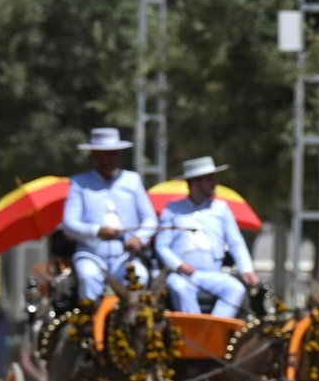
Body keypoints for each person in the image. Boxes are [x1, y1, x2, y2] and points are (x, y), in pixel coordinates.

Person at [61, 127, 157, 302]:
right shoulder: (79, 183)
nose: (112, 158)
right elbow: (69, 223)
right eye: (106, 154)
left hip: (125, 256)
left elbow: (150, 219)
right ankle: (93, 325)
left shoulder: (132, 180)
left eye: (114, 153)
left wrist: (139, 238)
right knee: (88, 276)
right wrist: (97, 231)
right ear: (94, 155)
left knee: (140, 276)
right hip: (91, 255)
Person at [156, 155, 259, 317]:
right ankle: (196, 330)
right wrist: (178, 265)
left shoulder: (221, 208)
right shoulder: (172, 209)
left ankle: (213, 330)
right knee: (179, 287)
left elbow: (235, 242)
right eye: (209, 179)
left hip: (213, 274)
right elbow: (161, 245)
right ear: (195, 182)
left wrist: (247, 269)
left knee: (235, 289)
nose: (214, 183)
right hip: (182, 276)